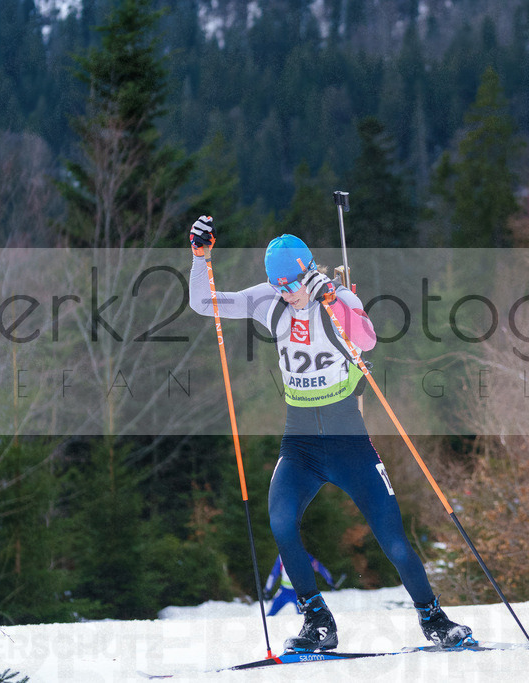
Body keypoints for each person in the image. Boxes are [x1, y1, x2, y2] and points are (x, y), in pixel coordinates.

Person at [187, 216, 473, 651]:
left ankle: (433, 619)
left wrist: (333, 301)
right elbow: (204, 303)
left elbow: (367, 339)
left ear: (309, 273)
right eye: (278, 286)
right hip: (300, 442)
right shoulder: (269, 300)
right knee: (281, 522)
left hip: (348, 442)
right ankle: (318, 621)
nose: (287, 294)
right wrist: (199, 257)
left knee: (392, 539)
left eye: (292, 285)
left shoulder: (335, 298)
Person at [264, 554, 334, 616]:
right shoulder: (281, 556)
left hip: (299, 593)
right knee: (270, 615)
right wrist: (267, 590)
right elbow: (274, 574)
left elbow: (318, 566)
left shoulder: (302, 553)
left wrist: (330, 580)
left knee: (303, 617)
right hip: (284, 591)